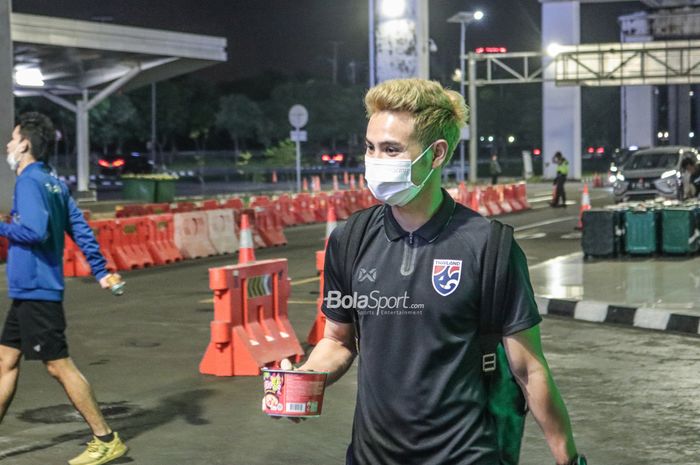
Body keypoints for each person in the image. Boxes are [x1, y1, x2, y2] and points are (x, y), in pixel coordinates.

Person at [296, 79, 584, 465]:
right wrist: (305, 379)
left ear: (436, 155)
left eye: (392, 149)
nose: (376, 160)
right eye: (370, 147)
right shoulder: (349, 240)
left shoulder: (489, 247)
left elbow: (528, 368)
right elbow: (338, 341)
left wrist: (568, 458)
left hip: (467, 455)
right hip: (371, 457)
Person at [0, 113, 128, 465]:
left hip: (38, 290)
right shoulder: (53, 183)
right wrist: (101, 271)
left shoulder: (28, 182)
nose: (9, 145)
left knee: (58, 366)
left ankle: (105, 438)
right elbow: (81, 230)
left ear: (24, 145)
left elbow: (35, 232)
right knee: (5, 360)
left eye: (12, 139)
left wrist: (2, 226)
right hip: (29, 292)